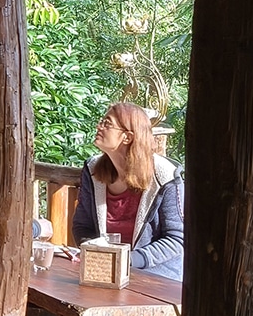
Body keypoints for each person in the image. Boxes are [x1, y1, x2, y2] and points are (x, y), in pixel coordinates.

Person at [70, 101, 184, 280]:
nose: (99, 126)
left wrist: (129, 260)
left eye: (107, 123)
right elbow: (82, 226)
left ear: (127, 137)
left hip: (157, 279)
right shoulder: (92, 170)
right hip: (105, 273)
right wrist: (95, 252)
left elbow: (176, 239)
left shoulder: (165, 176)